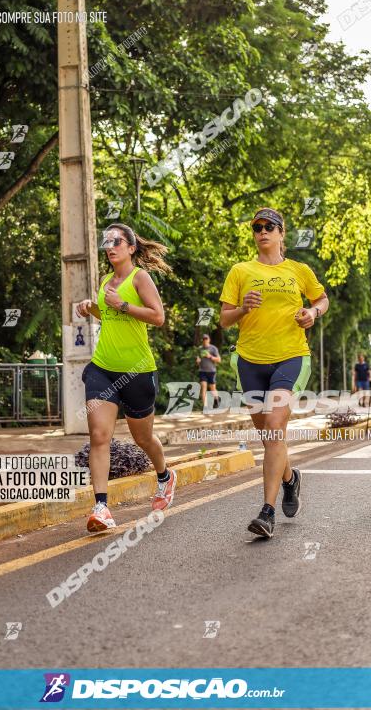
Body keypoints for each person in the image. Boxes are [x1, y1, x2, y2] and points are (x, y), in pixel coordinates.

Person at [219, 207, 329, 539]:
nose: (262, 231)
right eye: (257, 227)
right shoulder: (240, 271)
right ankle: (290, 479)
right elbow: (224, 319)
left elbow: (322, 299)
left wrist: (312, 312)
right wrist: (242, 308)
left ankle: (267, 513)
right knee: (269, 438)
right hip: (250, 361)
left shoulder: (299, 269)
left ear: (282, 233)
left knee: (274, 425)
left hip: (290, 356)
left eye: (270, 226)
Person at [75, 223, 176, 532]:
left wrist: (124, 304)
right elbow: (110, 316)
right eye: (107, 241)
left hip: (138, 372)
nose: (110, 246)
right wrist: (90, 307)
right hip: (103, 368)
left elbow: (158, 317)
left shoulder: (139, 278)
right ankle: (101, 507)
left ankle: (164, 475)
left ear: (131, 248)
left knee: (143, 438)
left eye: (116, 241)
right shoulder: (106, 280)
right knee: (99, 436)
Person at [195, 333, 221, 408]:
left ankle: (216, 400)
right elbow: (197, 360)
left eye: (206, 339)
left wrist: (210, 357)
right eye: (203, 339)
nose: (205, 340)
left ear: (209, 340)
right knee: (203, 387)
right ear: (202, 340)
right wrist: (197, 361)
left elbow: (219, 360)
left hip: (212, 371)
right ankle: (205, 407)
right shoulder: (199, 349)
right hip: (202, 371)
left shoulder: (213, 348)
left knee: (212, 388)